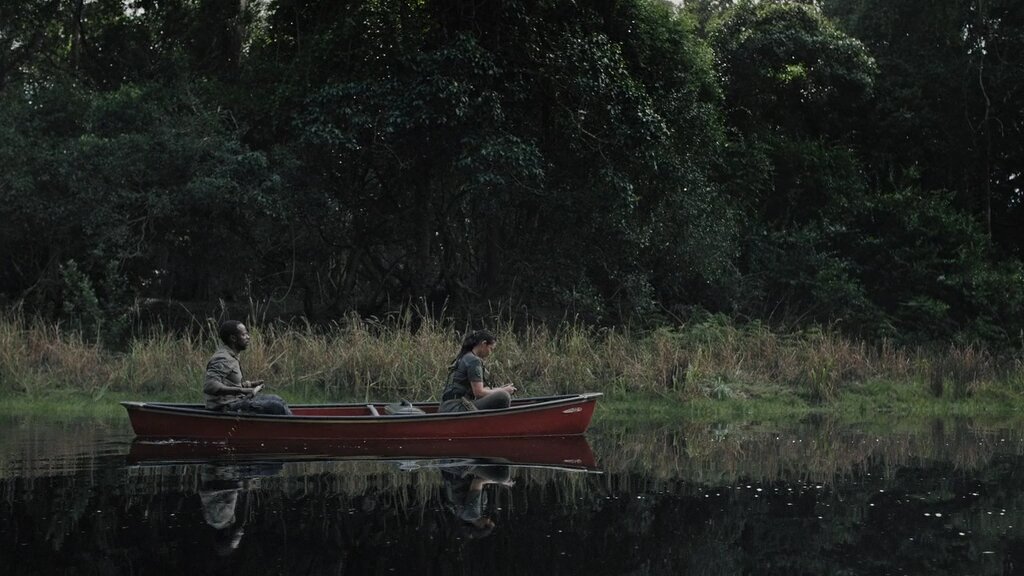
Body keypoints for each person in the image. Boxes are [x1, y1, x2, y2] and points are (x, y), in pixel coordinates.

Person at [203, 320, 292, 415]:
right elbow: (210, 386)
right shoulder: (223, 358)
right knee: (276, 406)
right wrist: (242, 390)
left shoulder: (232, 356)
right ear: (233, 338)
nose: (248, 337)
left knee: (277, 399)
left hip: (236, 400)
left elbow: (229, 383)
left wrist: (249, 385)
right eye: (244, 335)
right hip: (226, 406)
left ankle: (292, 422)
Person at [439, 329, 516, 413]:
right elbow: (479, 393)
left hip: (447, 406)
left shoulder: (464, 356)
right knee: (503, 396)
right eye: (491, 349)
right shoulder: (473, 360)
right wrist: (504, 390)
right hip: (456, 407)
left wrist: (500, 388)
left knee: (500, 393)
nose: (490, 353)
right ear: (484, 344)